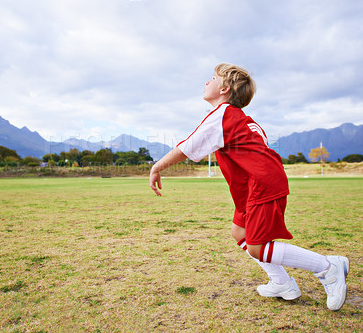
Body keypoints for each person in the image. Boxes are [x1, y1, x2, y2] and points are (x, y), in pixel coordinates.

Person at [149, 63, 349, 311]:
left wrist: (157, 167)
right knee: (239, 233)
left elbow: (188, 147)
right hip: (253, 185)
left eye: (212, 78)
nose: (206, 82)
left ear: (224, 88)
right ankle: (282, 283)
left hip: (262, 183)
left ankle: (329, 268)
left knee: (257, 247)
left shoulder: (222, 115)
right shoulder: (242, 119)